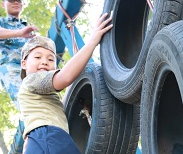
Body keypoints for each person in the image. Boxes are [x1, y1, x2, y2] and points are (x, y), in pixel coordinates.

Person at [18, 12, 113, 154]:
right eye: (37, 57)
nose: (44, 61)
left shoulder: (39, 95)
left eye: (51, 59)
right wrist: (93, 40)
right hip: (48, 136)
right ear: (24, 64)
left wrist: (72, 87)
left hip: (40, 141)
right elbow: (65, 77)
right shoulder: (32, 79)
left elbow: (59, 107)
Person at [0, 0, 38, 153]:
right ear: (3, 4)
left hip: (31, 70)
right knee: (27, 104)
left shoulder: (27, 25)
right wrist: (19, 33)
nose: (15, 2)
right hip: (11, 68)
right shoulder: (0, 22)